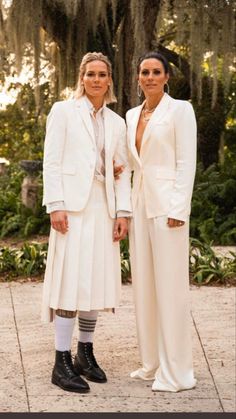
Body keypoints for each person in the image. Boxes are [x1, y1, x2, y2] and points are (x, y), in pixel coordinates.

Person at [41, 52, 132, 393]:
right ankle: (61, 361)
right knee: (69, 280)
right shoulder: (63, 111)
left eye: (102, 74)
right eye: (90, 74)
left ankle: (85, 353)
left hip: (103, 207)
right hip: (72, 210)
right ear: (82, 78)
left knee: (95, 280)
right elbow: (51, 161)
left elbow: (123, 171)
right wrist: (56, 205)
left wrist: (123, 212)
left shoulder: (116, 122)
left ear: (109, 80)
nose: (96, 79)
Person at [126, 51, 197, 392]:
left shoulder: (180, 110)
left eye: (156, 71)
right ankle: (152, 362)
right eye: (144, 72)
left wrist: (178, 209)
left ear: (166, 77)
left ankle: (177, 371)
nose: (150, 77)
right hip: (139, 205)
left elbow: (186, 163)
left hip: (168, 208)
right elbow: (130, 162)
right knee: (144, 287)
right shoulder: (130, 115)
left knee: (171, 290)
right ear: (138, 78)